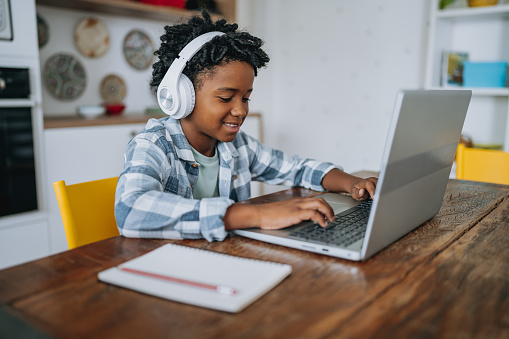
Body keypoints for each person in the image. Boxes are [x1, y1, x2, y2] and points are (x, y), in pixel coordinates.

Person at [115, 11, 377, 241]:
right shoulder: (154, 145)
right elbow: (131, 210)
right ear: (182, 96)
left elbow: (297, 169)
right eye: (226, 98)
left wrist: (352, 183)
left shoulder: (238, 146)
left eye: (246, 97)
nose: (241, 110)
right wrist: (255, 214)